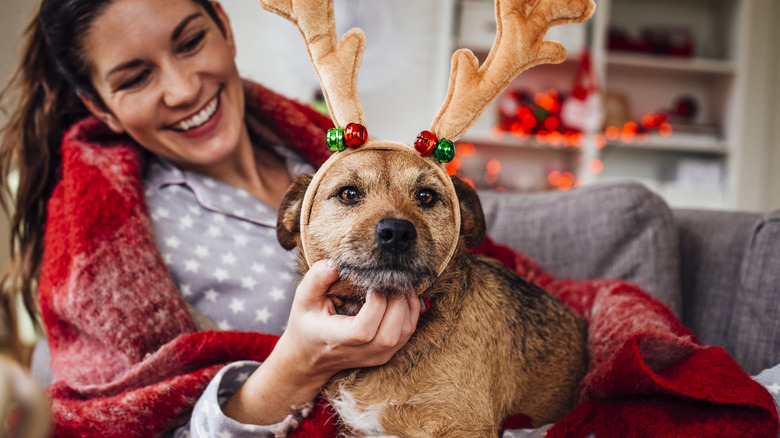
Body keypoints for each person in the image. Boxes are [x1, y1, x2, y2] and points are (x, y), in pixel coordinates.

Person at [0, 0, 420, 435]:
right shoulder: (108, 257)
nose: (182, 90)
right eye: (136, 78)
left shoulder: (324, 152)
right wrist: (299, 366)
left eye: (190, 42)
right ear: (102, 107)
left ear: (223, 25)